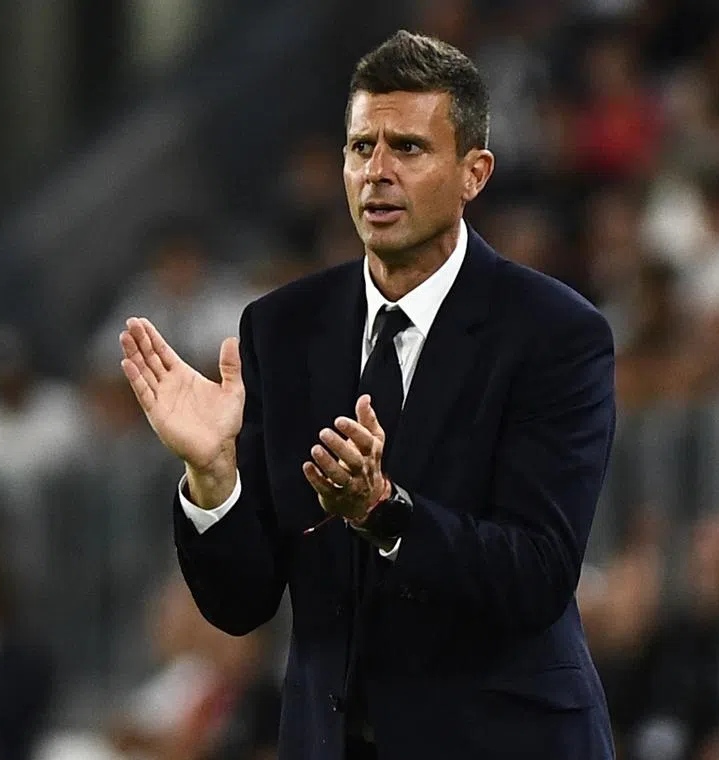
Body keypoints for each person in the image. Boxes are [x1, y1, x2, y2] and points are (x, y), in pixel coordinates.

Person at [119, 30, 617, 760]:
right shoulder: (281, 330)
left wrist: (384, 511)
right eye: (361, 148)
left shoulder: (553, 333)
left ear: (474, 173)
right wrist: (213, 477)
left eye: (408, 148)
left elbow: (536, 573)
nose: (377, 172)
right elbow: (240, 604)